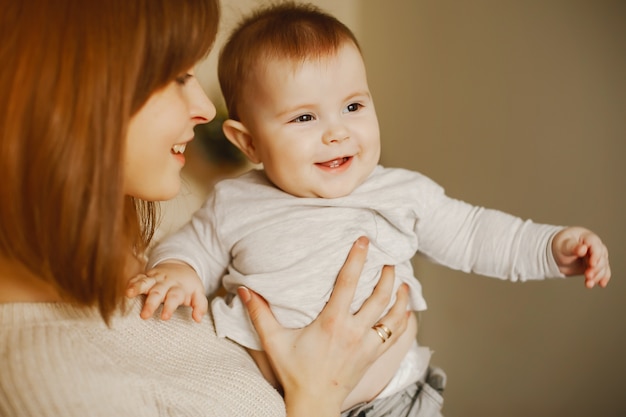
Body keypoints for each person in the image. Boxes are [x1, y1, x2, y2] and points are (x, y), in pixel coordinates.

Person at [130, 2, 612, 416]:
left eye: (354, 107)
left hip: (395, 399)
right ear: (248, 141)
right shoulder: (235, 202)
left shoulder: (398, 192)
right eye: (304, 117)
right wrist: (177, 271)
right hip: (274, 401)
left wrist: (550, 247)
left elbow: (474, 233)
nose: (337, 131)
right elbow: (191, 247)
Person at [0, 1, 414, 416]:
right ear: (71, 95)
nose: (205, 108)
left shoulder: (157, 270)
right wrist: (319, 396)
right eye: (178, 76)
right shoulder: (46, 380)